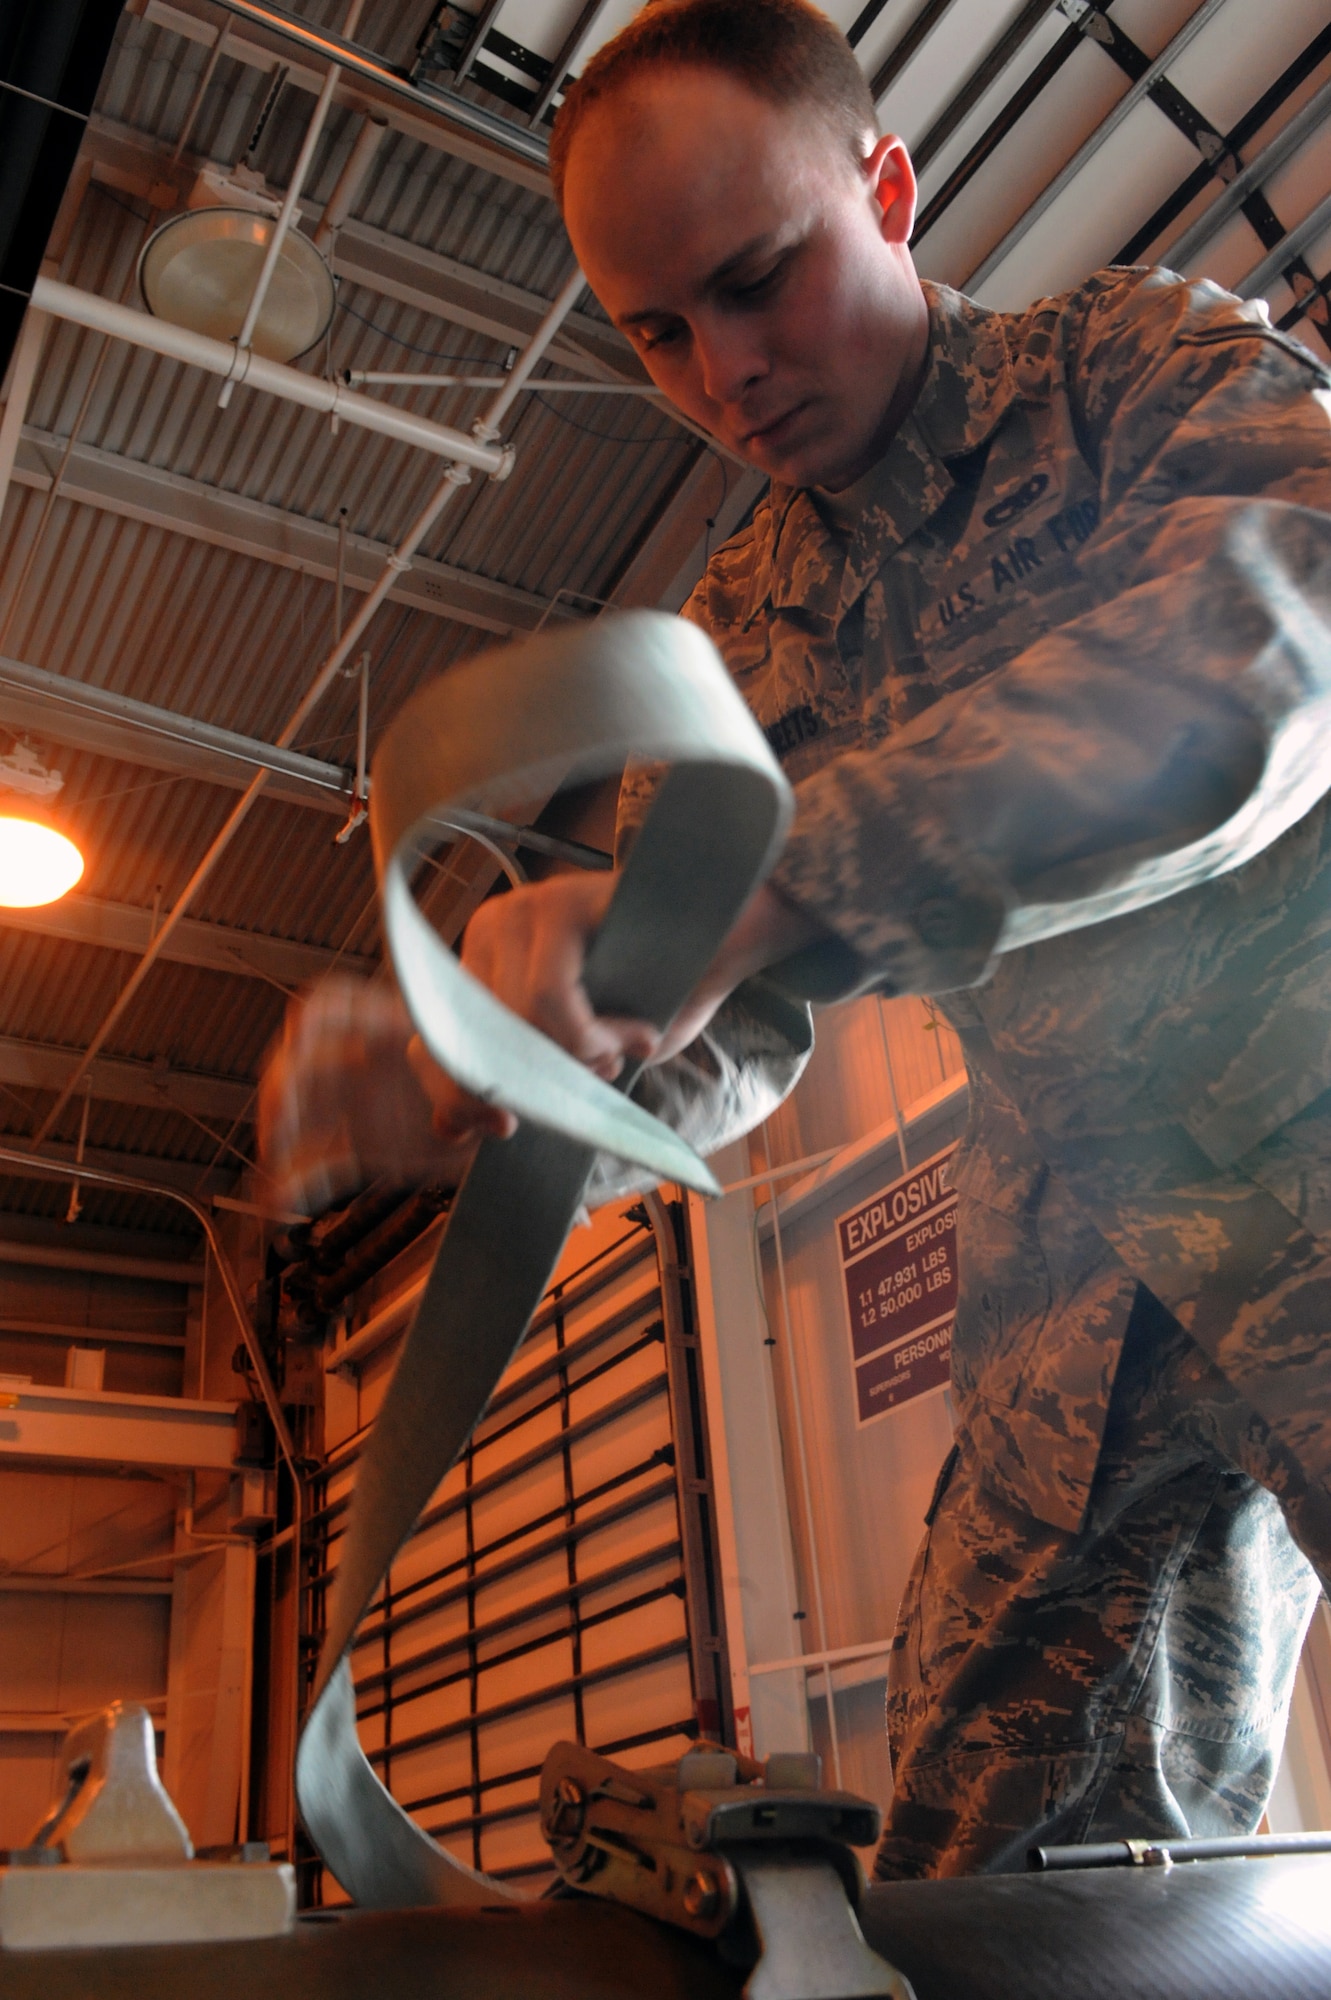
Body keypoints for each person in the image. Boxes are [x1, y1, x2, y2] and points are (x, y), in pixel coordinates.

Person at [261, 0, 1331, 1877]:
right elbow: (720, 1032)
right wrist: (494, 1076)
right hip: (1080, 1295)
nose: (725, 374)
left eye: (762, 280)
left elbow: (1277, 636)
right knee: (991, 1885)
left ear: (889, 187)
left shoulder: (1132, 365)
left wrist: (768, 884)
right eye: (658, 333)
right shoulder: (733, 639)